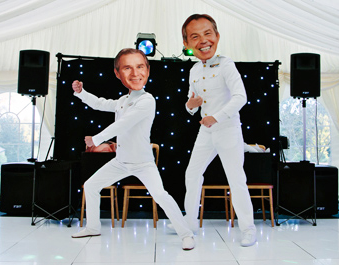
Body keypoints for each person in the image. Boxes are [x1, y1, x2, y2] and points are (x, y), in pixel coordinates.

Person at [71, 48, 196, 250]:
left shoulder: (147, 100)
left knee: (161, 196)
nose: (135, 73)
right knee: (91, 186)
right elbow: (100, 104)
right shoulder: (122, 101)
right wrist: (81, 93)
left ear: (147, 70)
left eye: (139, 67)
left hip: (143, 163)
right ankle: (93, 227)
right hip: (121, 161)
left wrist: (96, 139)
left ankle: (187, 234)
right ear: (118, 73)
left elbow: (124, 124)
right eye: (127, 68)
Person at [178, 14, 257, 247]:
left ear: (217, 36)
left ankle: (248, 228)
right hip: (206, 131)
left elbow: (241, 97)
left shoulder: (226, 64)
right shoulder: (193, 70)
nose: (203, 40)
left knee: (236, 179)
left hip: (227, 129)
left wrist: (217, 116)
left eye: (207, 33)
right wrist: (190, 107)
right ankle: (189, 222)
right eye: (195, 36)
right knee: (192, 174)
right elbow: (191, 102)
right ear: (187, 44)